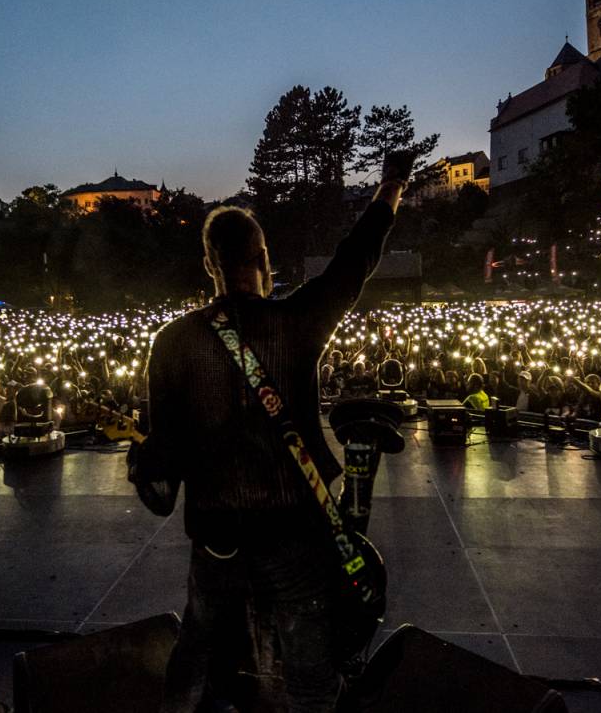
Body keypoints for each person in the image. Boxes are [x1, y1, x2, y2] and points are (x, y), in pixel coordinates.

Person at [138, 150, 411, 713]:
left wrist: (145, 460)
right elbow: (354, 260)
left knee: (196, 657)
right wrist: (390, 188)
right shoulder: (297, 323)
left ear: (210, 264)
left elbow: (161, 466)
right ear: (263, 257)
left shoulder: (173, 343)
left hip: (217, 536)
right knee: (310, 672)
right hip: (294, 531)